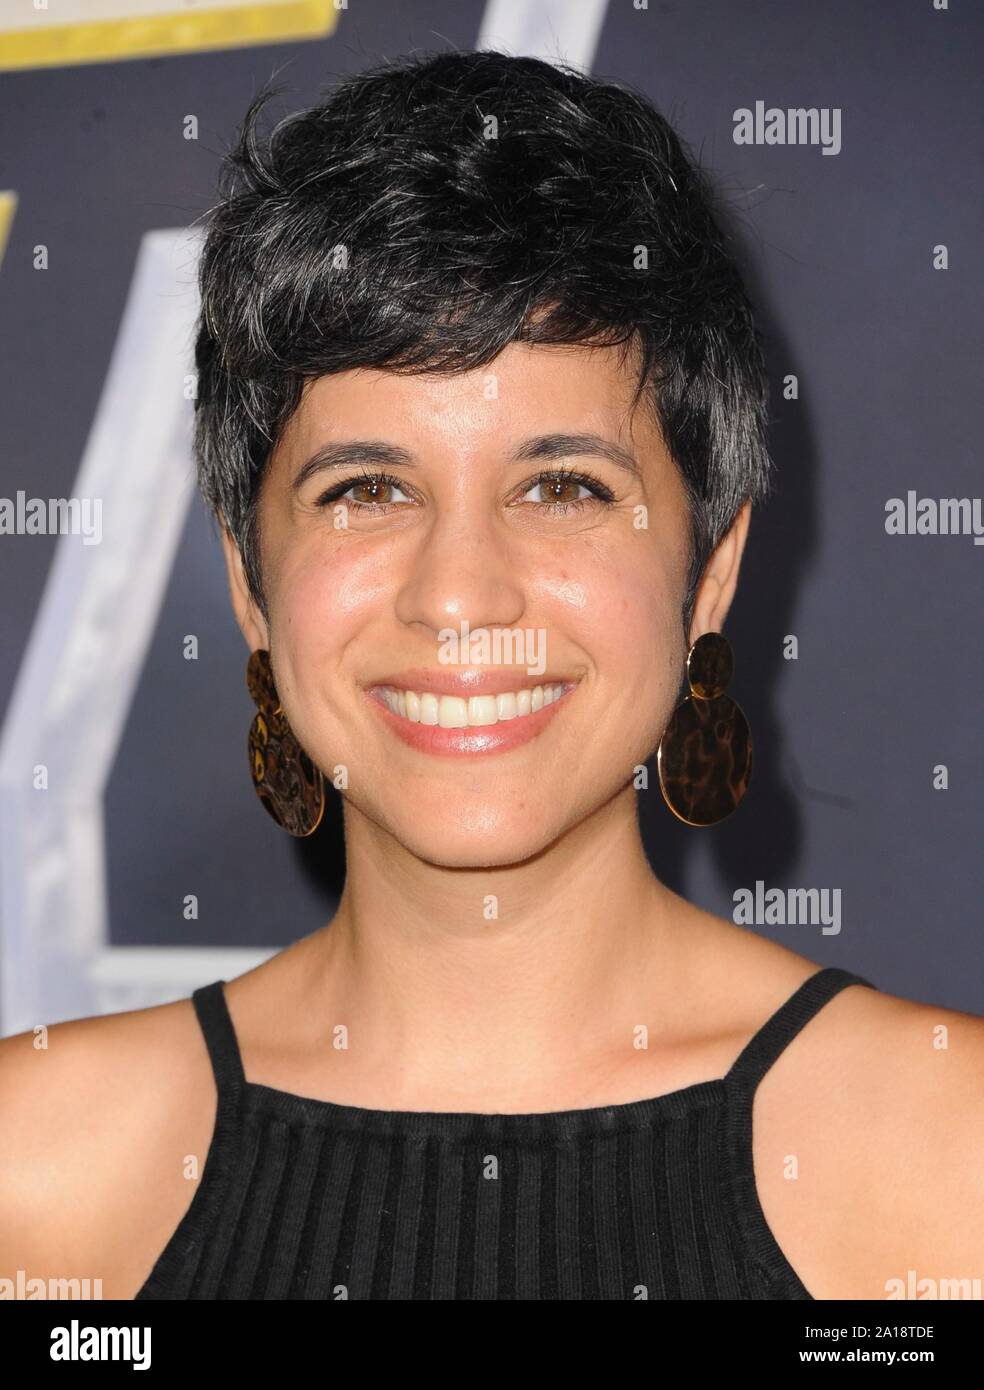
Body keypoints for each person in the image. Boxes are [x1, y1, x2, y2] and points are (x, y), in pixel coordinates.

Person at [2, 50, 982, 1302]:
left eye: (562, 486)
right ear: (252, 582)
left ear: (713, 569)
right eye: (367, 489)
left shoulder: (953, 1164)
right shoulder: (32, 1175)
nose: (459, 595)